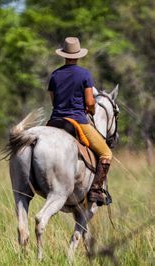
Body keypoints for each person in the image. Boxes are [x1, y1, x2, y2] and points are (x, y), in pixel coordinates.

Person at [47, 37, 112, 206]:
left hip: (55, 120)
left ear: (64, 55)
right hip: (78, 120)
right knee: (106, 154)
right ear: (78, 55)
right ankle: (96, 190)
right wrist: (90, 110)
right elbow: (90, 103)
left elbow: (53, 101)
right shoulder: (84, 74)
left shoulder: (55, 75)